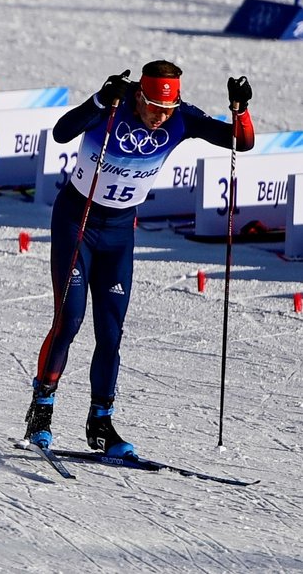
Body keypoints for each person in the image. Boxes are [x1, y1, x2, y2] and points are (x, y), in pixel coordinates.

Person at [23, 60, 255, 457]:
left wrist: (240, 110)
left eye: (167, 110)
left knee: (111, 333)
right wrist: (97, 100)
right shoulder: (112, 106)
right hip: (76, 223)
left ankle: (101, 423)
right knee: (70, 320)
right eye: (153, 108)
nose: (159, 118)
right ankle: (40, 413)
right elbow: (62, 133)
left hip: (119, 233)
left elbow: (241, 142)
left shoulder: (180, 119)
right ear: (138, 96)